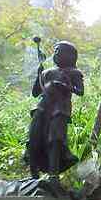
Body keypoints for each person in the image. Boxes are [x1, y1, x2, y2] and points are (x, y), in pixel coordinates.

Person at [24, 41, 84, 179]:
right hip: (42, 108)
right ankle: (33, 175)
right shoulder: (47, 72)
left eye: (60, 51)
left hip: (60, 109)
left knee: (56, 139)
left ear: (70, 55)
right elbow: (35, 92)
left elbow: (80, 91)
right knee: (34, 138)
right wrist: (38, 75)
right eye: (55, 51)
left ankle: (53, 174)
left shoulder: (74, 72)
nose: (56, 54)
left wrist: (66, 86)